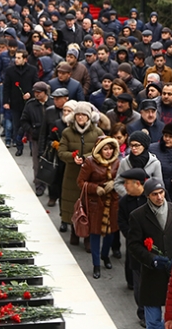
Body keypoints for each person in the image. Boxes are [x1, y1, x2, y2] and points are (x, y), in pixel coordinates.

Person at [128, 178, 172, 329]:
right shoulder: (138, 216)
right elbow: (134, 245)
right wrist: (152, 259)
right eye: (155, 194)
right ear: (147, 195)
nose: (159, 197)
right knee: (153, 323)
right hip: (152, 276)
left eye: (161, 193)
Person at [58, 102, 104, 248]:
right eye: (78, 115)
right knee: (74, 203)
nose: (81, 118)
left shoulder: (97, 132)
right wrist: (72, 157)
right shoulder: (67, 132)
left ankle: (88, 237)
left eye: (84, 115)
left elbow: (100, 150)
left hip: (91, 175)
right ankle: (75, 231)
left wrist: (86, 157)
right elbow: (61, 152)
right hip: (72, 174)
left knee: (90, 204)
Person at [77, 136, 121, 279]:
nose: (108, 152)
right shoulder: (90, 162)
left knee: (111, 232)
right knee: (95, 233)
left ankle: (105, 255)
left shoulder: (117, 162)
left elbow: (121, 179)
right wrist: (95, 188)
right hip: (96, 203)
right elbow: (81, 182)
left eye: (110, 149)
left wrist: (114, 184)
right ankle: (96, 264)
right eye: (105, 149)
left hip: (113, 202)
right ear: (99, 150)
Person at [117, 168, 148, 325]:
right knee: (138, 281)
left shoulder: (152, 196)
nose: (125, 186)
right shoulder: (124, 202)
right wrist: (133, 237)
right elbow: (121, 222)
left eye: (127, 183)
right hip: (135, 247)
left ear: (137, 184)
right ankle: (142, 312)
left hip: (153, 247)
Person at [2, 49, 39, 156]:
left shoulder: (32, 70)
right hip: (15, 102)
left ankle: (33, 148)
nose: (16, 60)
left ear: (25, 59)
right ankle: (19, 147)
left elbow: (36, 84)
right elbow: (6, 87)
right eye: (15, 58)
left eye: (19, 58)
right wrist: (6, 101)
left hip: (29, 103)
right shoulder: (10, 71)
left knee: (31, 126)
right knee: (17, 126)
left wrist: (31, 94)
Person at [19, 81, 50, 196]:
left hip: (50, 138)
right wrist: (31, 131)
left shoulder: (51, 103)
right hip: (36, 137)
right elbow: (24, 120)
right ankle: (39, 185)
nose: (36, 94)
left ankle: (50, 184)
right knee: (37, 162)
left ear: (45, 92)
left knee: (50, 162)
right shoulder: (30, 104)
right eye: (35, 92)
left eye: (39, 92)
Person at [114, 131, 163, 197]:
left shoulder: (155, 163)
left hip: (148, 200)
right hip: (129, 200)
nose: (134, 148)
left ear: (144, 145)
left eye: (137, 145)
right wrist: (129, 194)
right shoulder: (124, 162)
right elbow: (117, 183)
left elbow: (159, 185)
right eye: (131, 145)